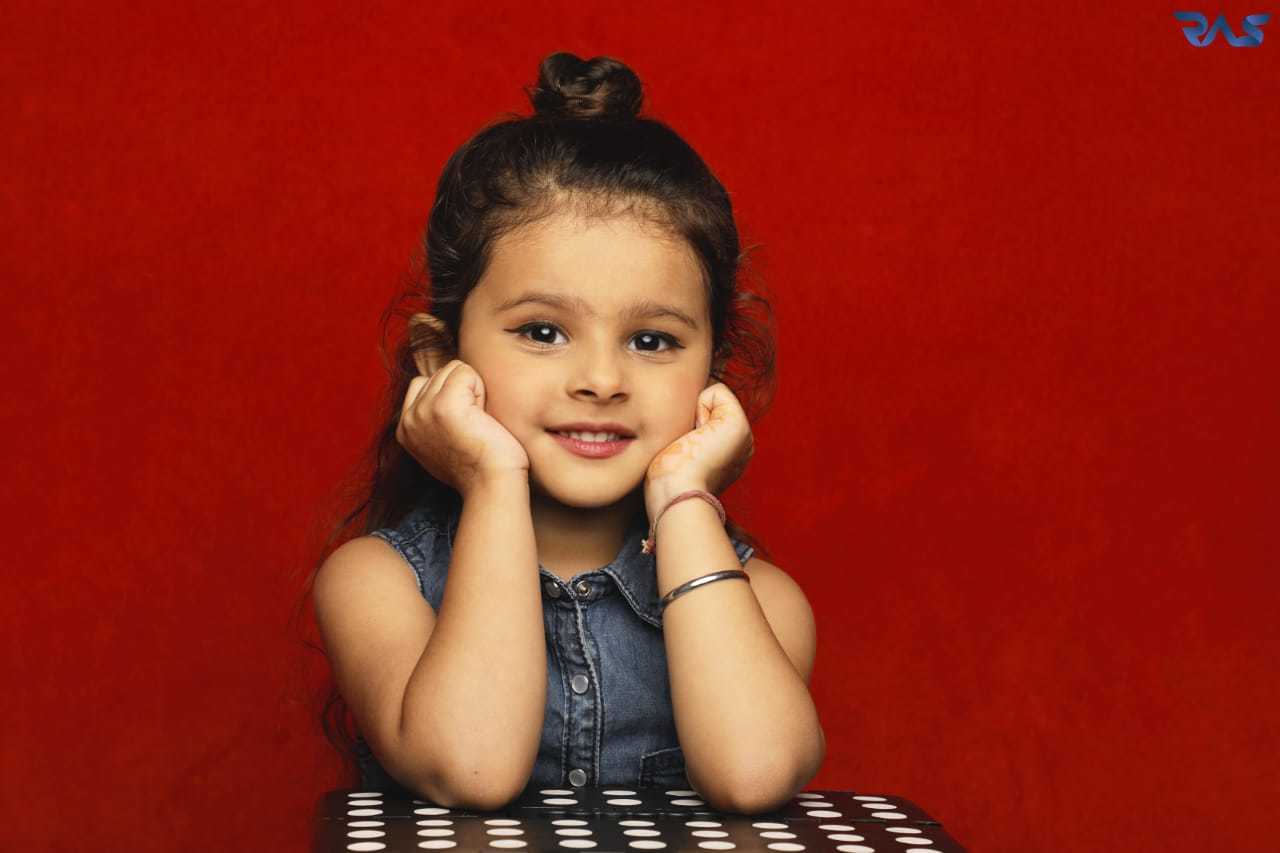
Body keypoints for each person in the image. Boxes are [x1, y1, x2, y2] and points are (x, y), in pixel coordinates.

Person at [309, 51, 825, 815]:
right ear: (442, 360)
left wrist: (684, 497)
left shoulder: (762, 603)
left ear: (712, 376)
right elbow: (469, 766)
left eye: (651, 340)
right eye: (543, 331)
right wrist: (491, 479)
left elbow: (753, 774)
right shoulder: (377, 584)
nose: (603, 379)